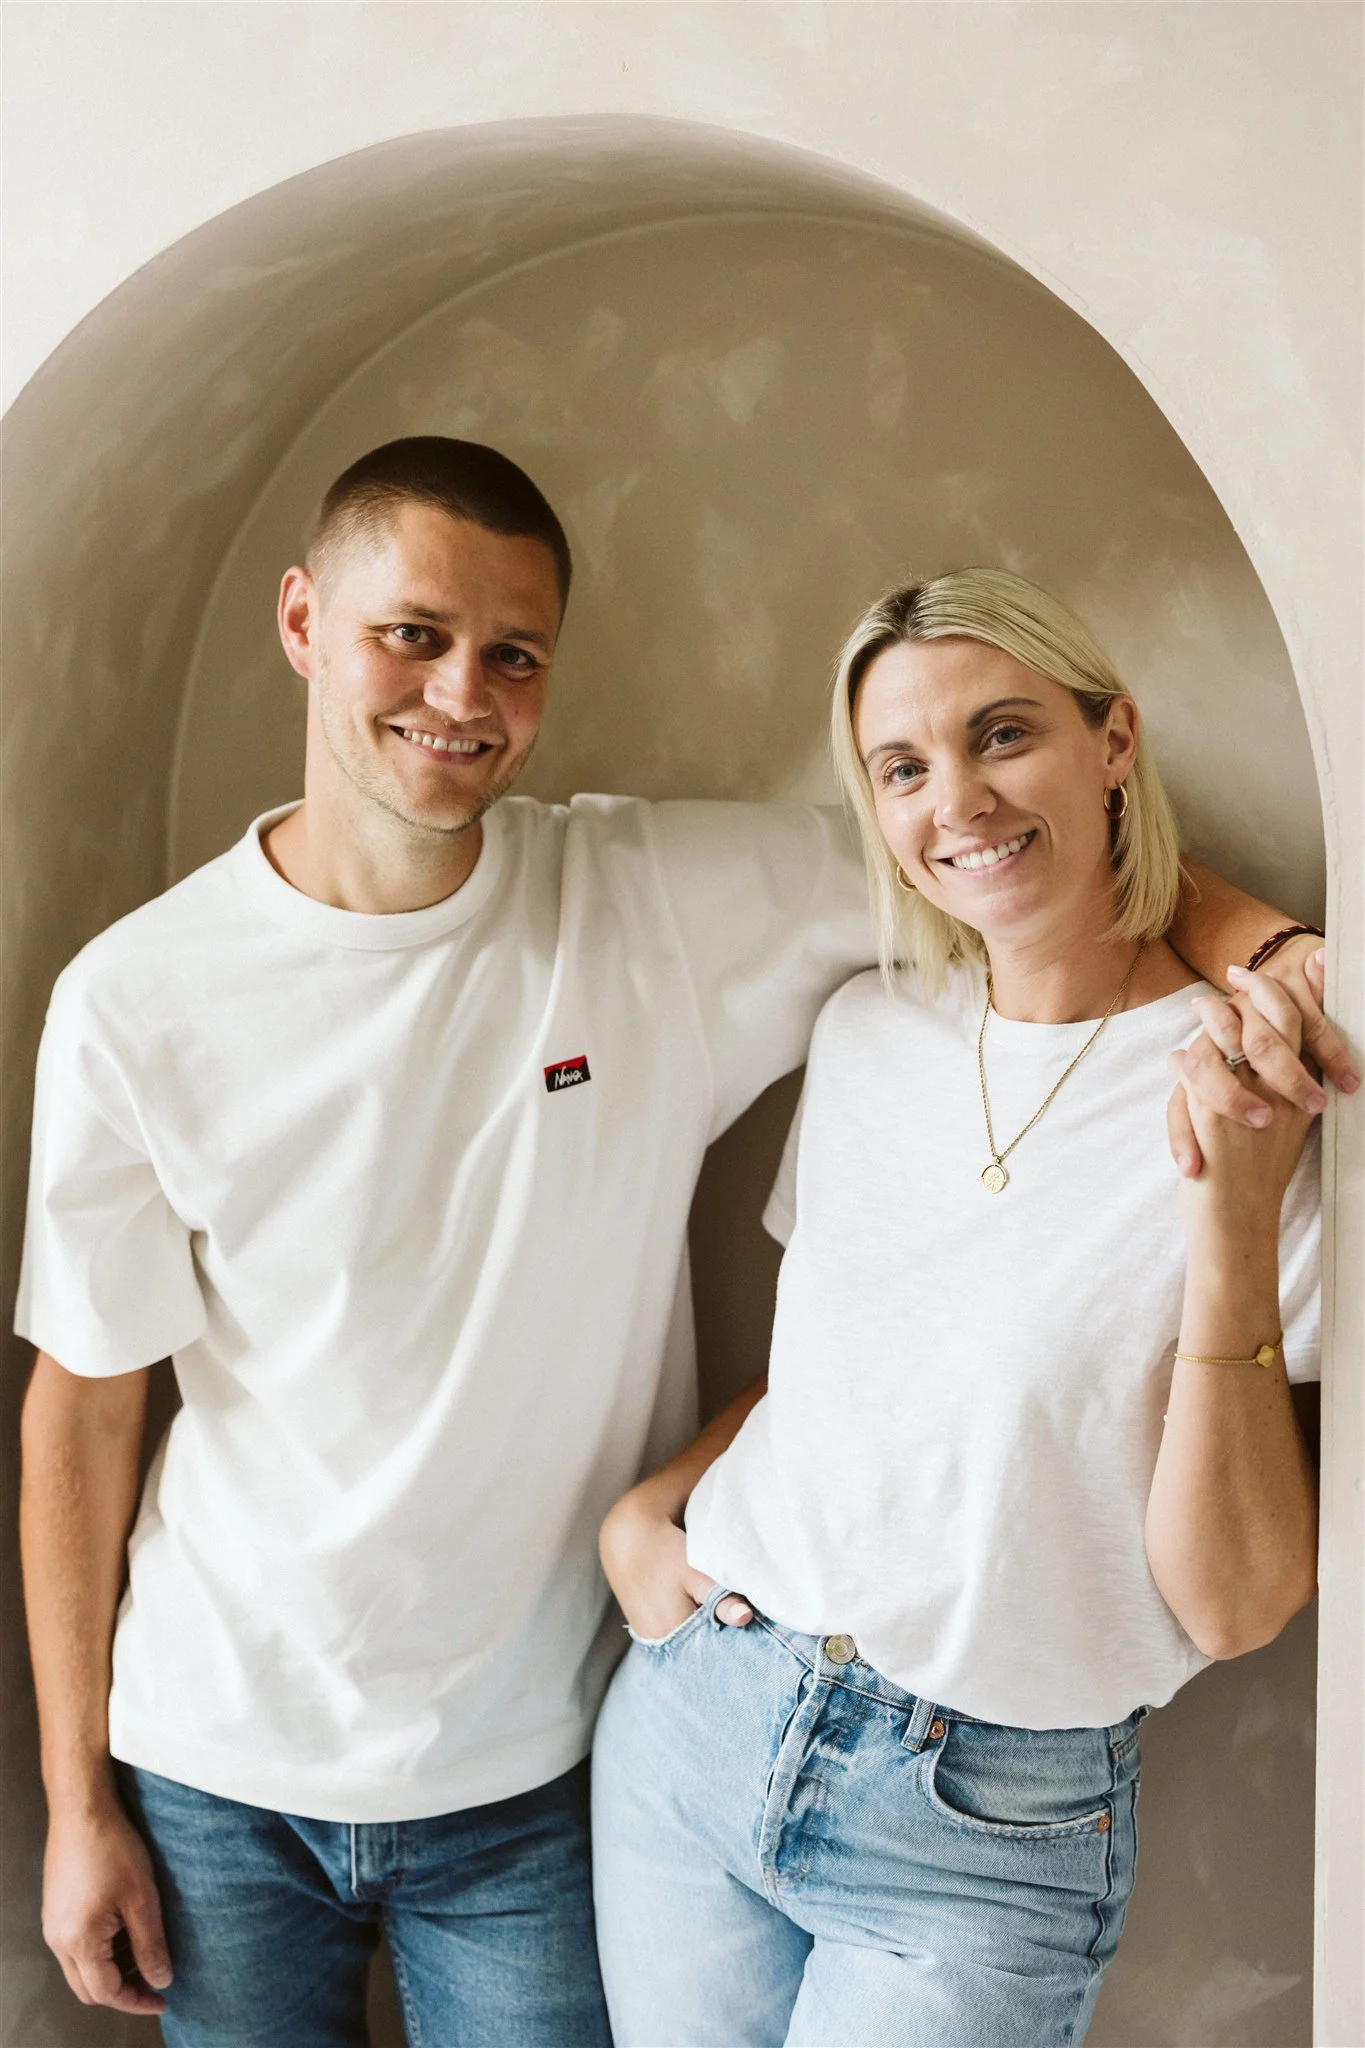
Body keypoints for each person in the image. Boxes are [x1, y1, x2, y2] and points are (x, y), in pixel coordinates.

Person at [16, 441, 1346, 2047]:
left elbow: (1021, 855)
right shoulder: (134, 997)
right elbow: (83, 1406)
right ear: (303, 622)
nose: (462, 693)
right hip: (217, 1755)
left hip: (537, 1763)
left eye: (514, 653)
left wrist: (1278, 951)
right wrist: (75, 1800)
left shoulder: (651, 894)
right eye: (411, 635)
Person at [592, 568, 1334, 2048]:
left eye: (1003, 734)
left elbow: (1236, 1603)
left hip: (984, 1838)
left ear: (1113, 741)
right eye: (903, 767)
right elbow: (835, 1380)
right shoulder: (868, 1033)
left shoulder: (1259, 1086)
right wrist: (649, 1507)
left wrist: (1234, 1216)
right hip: (699, 1720)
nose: (960, 801)